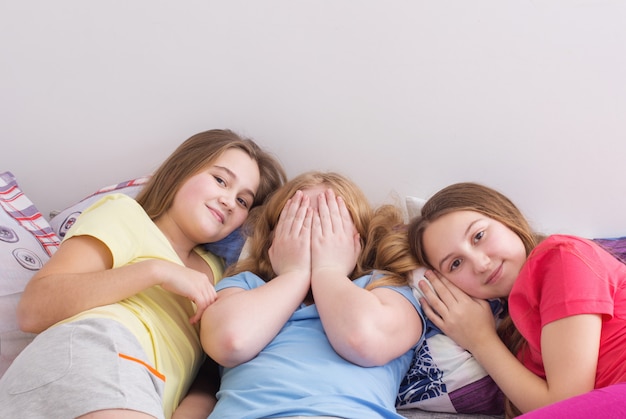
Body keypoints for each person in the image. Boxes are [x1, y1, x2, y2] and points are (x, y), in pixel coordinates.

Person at [0, 129, 287, 419]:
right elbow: (33, 309)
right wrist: (155, 271)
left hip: (149, 397)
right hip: (97, 351)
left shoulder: (221, 275)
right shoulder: (125, 215)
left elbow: (209, 374)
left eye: (243, 201)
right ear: (181, 171)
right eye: (220, 180)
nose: (228, 200)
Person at [197, 171, 426, 419]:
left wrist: (328, 271)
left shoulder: (385, 288)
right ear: (275, 236)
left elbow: (363, 339)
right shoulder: (242, 285)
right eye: (298, 219)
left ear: (358, 239)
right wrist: (293, 274)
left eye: (330, 222)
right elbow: (230, 341)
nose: (314, 232)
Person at [407, 182, 626, 418]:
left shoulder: (560, 256)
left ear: (505, 217)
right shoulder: (515, 332)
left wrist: (480, 340)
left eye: (478, 236)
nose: (481, 264)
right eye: (456, 264)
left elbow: (565, 407)